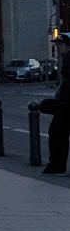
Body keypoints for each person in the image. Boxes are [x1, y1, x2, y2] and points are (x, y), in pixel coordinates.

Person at [44, 34, 70, 175]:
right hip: (65, 103)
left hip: (66, 105)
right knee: (57, 133)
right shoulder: (66, 60)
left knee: (57, 133)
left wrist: (61, 101)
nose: (57, 47)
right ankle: (57, 165)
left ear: (67, 45)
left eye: (60, 44)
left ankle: (57, 166)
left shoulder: (69, 60)